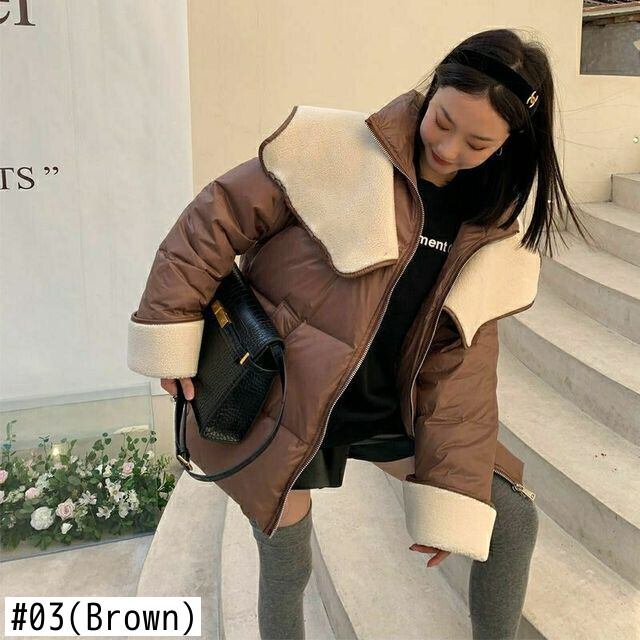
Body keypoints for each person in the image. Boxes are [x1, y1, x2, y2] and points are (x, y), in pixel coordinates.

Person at [128, 27, 594, 640]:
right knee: (287, 563)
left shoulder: (488, 234)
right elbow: (215, 218)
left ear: (511, 144)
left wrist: (452, 494)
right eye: (443, 121)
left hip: (380, 411)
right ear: (434, 88)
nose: (448, 148)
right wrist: (171, 326)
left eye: (478, 143)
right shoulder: (336, 150)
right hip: (283, 396)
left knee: (510, 516)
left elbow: (461, 373)